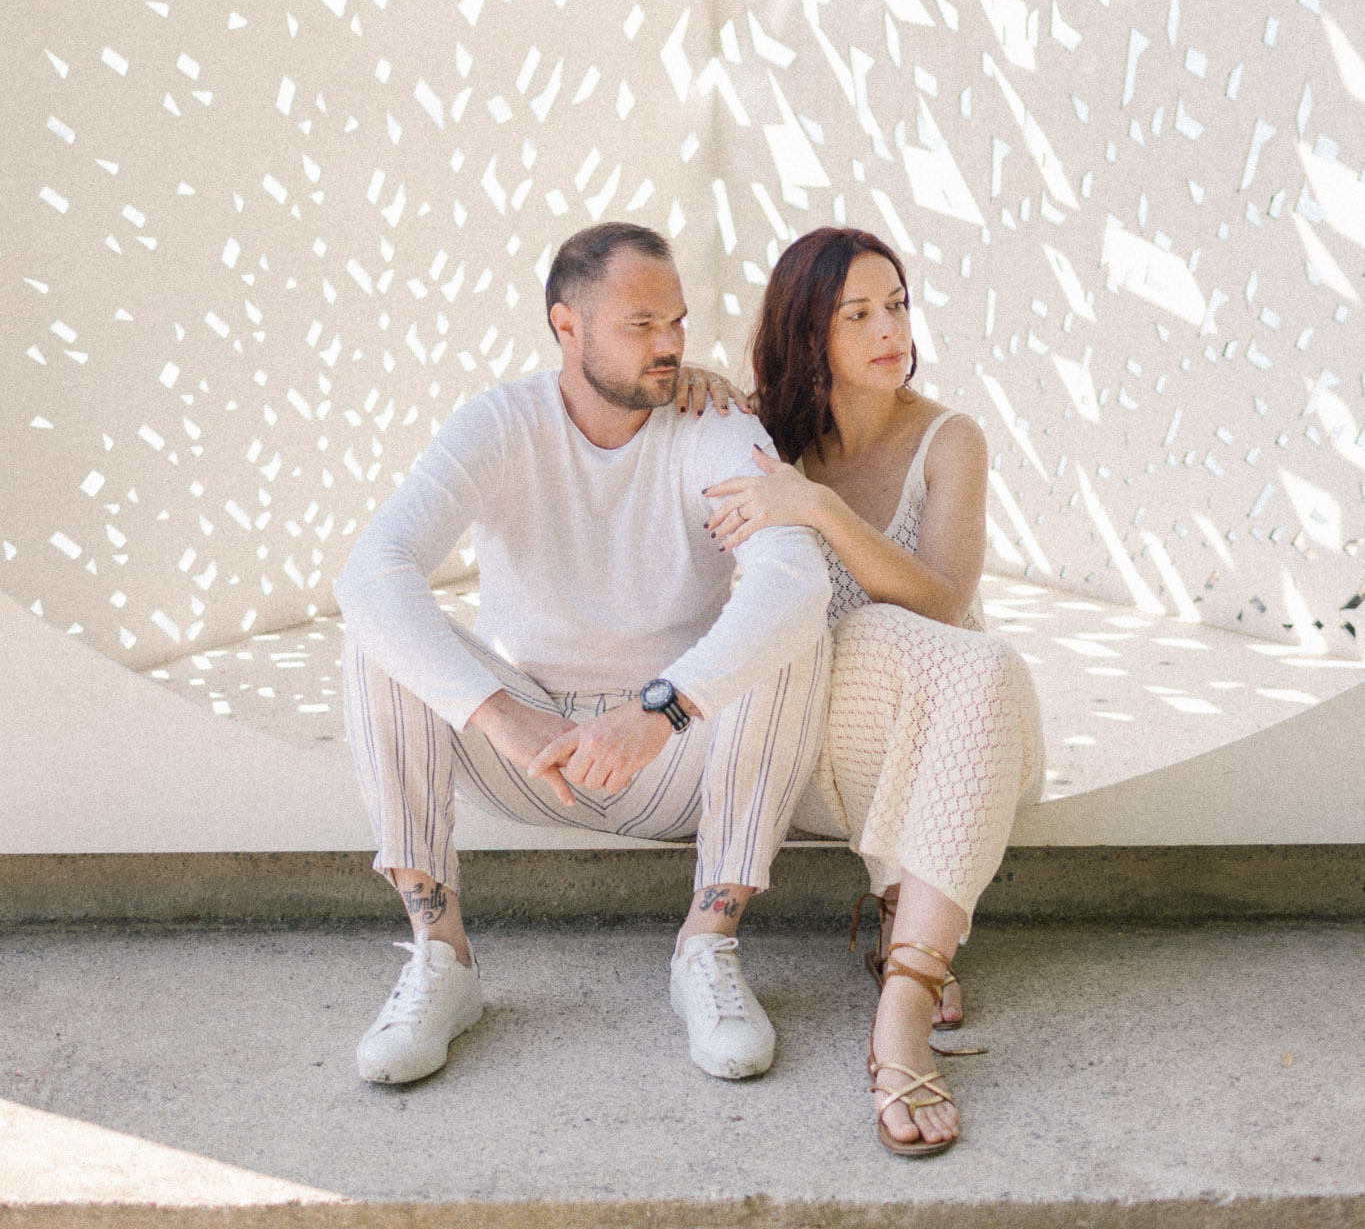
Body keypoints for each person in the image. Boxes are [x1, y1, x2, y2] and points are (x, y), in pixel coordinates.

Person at [333, 221, 831, 1088]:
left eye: (676, 321)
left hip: (676, 753)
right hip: (533, 749)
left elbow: (790, 581)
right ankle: (440, 963)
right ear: (567, 326)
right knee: (377, 624)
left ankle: (706, 949)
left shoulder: (711, 422)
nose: (670, 344)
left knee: (794, 626)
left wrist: (661, 711)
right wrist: (507, 719)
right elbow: (372, 568)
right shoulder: (500, 422)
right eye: (641, 325)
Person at [703, 227, 1044, 1158]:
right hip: (826, 741)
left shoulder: (949, 439)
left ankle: (903, 998)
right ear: (807, 332)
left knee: (977, 662)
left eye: (894, 303)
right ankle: (905, 902)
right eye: (855, 313)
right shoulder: (762, 436)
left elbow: (942, 598)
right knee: (862, 643)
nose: (887, 328)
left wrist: (817, 508)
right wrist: (693, 383)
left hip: (961, 728)